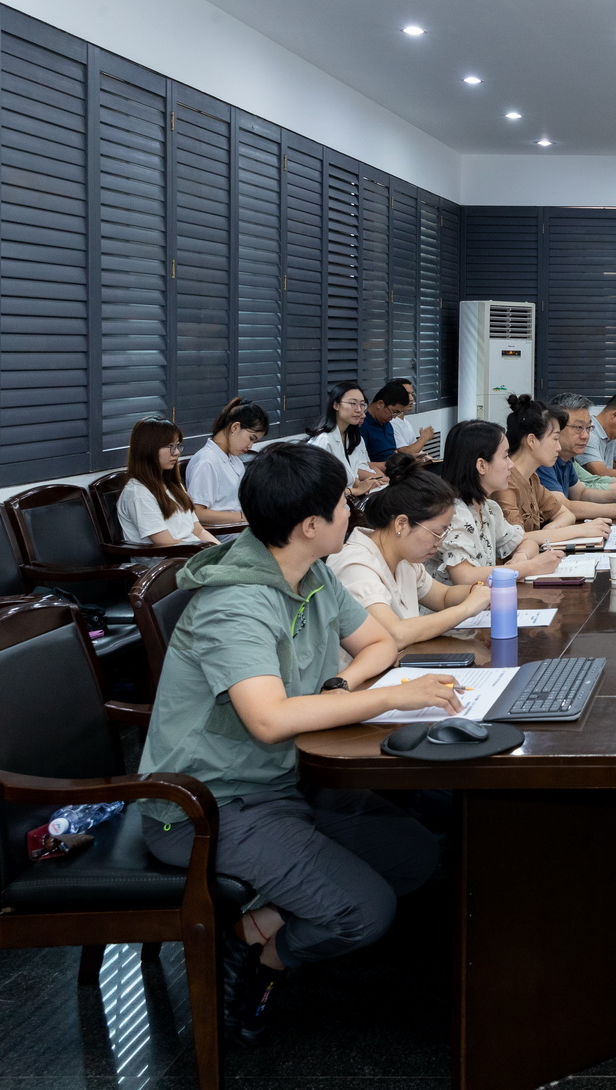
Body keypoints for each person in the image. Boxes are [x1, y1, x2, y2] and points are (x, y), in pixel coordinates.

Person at [137, 442, 461, 1046]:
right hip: (208, 806)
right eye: (343, 503)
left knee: (414, 856)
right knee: (366, 911)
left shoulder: (312, 573)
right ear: (310, 525)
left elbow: (379, 643)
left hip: (282, 779)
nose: (352, 512)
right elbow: (268, 720)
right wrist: (389, 698)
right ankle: (258, 954)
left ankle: (260, 922)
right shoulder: (235, 603)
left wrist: (340, 688)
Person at [329, 453, 492, 648]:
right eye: (437, 532)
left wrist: (479, 591)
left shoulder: (404, 558)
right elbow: (395, 634)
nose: (440, 542)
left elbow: (443, 597)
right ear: (401, 524)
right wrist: (467, 608)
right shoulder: (355, 564)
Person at [432, 419, 562, 585]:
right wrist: (530, 567)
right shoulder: (454, 514)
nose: (511, 464)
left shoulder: (488, 509)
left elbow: (526, 541)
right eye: (505, 456)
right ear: (482, 465)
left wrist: (520, 557)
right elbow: (465, 577)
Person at [499, 395, 613, 544]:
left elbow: (566, 514)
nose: (558, 447)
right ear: (532, 441)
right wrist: (579, 530)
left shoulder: (532, 479)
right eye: (555, 439)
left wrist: (550, 532)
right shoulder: (505, 484)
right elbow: (515, 540)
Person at [539, 398, 616, 519]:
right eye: (578, 427)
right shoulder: (543, 461)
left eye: (588, 428)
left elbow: (581, 493)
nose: (585, 436)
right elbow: (562, 506)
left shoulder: (566, 460)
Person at [119, 416, 219, 547]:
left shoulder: (173, 485)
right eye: (170, 446)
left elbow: (199, 531)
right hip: (172, 557)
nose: (176, 452)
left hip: (193, 551)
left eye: (177, 445)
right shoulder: (138, 493)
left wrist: (222, 551)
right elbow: (166, 544)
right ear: (148, 449)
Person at [189, 396, 268, 526]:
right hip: (226, 532)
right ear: (235, 427)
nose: (250, 446)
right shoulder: (207, 461)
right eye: (251, 438)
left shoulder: (234, 459)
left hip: (240, 528)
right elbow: (198, 513)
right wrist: (243, 517)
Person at [307, 380, 386, 496]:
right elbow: (318, 489)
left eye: (362, 404)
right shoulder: (323, 440)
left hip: (348, 500)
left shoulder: (351, 437)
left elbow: (352, 478)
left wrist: (364, 485)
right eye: (353, 403)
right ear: (336, 405)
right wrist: (357, 490)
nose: (359, 409)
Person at [360, 382, 412, 463]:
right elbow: (362, 464)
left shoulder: (387, 425)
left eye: (398, 413)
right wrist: (395, 465)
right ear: (380, 404)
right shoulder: (362, 426)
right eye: (394, 412)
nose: (393, 417)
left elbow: (392, 454)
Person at [388, 376, 436, 460]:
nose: (411, 399)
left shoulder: (406, 422)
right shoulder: (391, 423)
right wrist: (424, 438)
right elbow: (404, 453)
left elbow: (415, 451)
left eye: (412, 394)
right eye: (406, 395)